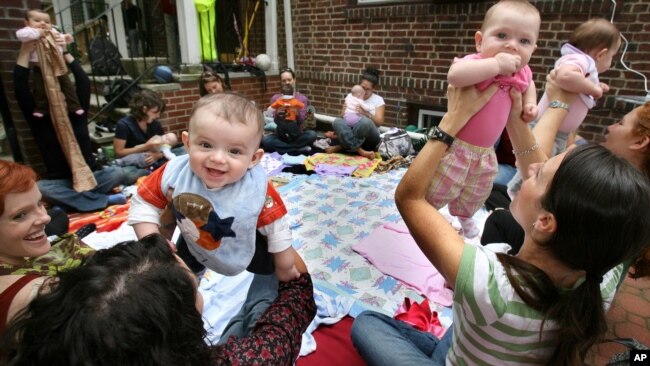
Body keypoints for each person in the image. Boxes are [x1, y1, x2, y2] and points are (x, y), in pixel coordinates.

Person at [351, 82, 650, 366]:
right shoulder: (601, 275)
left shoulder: (487, 281)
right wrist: (513, 116)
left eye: (539, 174)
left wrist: (453, 120)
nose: (531, 166)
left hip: (467, 347)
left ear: (545, 222)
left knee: (366, 324)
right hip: (490, 344)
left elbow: (409, 198)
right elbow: (549, 179)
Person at [0, 233, 316, 365]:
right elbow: (295, 298)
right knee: (264, 304)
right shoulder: (237, 359)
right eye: (194, 286)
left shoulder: (49, 335)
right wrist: (277, 240)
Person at [482, 72, 650, 278]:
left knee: (500, 217)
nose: (610, 127)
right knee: (496, 191)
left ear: (641, 142)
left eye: (621, 123)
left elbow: (537, 167)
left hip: (552, 260)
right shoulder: (632, 191)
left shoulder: (610, 188)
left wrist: (560, 103)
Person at [128, 93, 300, 282]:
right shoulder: (176, 172)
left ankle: (266, 285)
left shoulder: (254, 187)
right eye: (206, 145)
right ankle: (193, 284)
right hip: (193, 236)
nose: (217, 158)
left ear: (253, 159)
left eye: (234, 151)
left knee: (270, 267)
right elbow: (143, 201)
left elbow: (277, 227)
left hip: (240, 240)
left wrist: (285, 265)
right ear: (187, 143)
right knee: (181, 273)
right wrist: (151, 240)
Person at [426, 0, 540, 238]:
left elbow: (530, 84)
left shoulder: (523, 72)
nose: (512, 46)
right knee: (441, 185)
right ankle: (426, 214)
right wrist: (496, 65)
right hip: (457, 146)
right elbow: (455, 76)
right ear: (480, 41)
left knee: (477, 191)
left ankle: (465, 219)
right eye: (501, 35)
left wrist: (530, 104)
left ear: (533, 49)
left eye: (524, 41)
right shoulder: (478, 63)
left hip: (486, 152)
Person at [507, 17, 621, 195]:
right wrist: (593, 89)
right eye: (612, 57)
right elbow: (564, 77)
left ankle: (521, 193)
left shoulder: (584, 65)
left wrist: (596, 86)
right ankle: (516, 193)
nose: (611, 61)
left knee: (545, 170)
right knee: (536, 171)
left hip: (560, 133)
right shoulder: (579, 60)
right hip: (548, 128)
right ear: (601, 54)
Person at [14, 39, 126, 212]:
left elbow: (84, 82)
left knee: (117, 173)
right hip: (61, 180)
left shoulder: (77, 114)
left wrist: (64, 52)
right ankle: (101, 200)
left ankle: (74, 202)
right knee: (42, 188)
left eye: (64, 96)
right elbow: (20, 88)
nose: (61, 100)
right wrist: (25, 51)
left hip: (89, 176)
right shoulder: (39, 119)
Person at [0, 160, 94, 335]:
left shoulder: (15, 256)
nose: (45, 218)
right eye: (20, 215)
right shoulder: (39, 295)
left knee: (58, 216)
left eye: (40, 204)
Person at [15, 9, 83, 118]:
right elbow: (20, 35)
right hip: (40, 68)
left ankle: (74, 106)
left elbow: (61, 37)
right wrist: (38, 33)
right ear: (27, 23)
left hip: (58, 64)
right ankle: (42, 108)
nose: (43, 23)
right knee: (39, 89)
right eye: (37, 20)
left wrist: (67, 38)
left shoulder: (52, 31)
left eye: (47, 21)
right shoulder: (28, 31)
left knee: (67, 85)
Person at [326, 67, 385, 159]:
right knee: (337, 122)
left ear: (374, 88)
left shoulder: (378, 100)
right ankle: (360, 151)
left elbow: (379, 122)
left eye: (367, 89)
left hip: (370, 137)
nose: (364, 91)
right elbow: (342, 117)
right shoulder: (351, 95)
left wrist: (365, 113)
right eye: (362, 87)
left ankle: (341, 147)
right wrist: (342, 112)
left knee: (364, 122)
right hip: (353, 132)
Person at [113, 89, 169, 183]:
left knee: (183, 151)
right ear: (144, 109)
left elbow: (166, 146)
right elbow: (118, 153)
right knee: (125, 174)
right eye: (155, 112)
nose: (158, 116)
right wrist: (145, 146)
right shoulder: (123, 124)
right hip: (133, 163)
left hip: (155, 159)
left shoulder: (155, 124)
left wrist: (158, 155)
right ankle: (154, 173)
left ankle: (153, 173)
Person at [262, 67, 316, 154]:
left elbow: (301, 121)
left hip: (297, 134)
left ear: (294, 80)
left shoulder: (302, 98)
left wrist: (295, 112)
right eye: (284, 81)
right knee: (266, 140)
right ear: (280, 82)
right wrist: (278, 114)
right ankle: (296, 149)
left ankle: (284, 148)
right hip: (280, 135)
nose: (287, 82)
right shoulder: (276, 98)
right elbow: (274, 120)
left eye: (289, 80)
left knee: (312, 135)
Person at [113, 132, 178, 168]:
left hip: (147, 158)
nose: (165, 137)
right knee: (134, 157)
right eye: (166, 135)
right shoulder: (158, 137)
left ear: (169, 145)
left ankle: (120, 162)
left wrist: (176, 160)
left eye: (168, 139)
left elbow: (170, 155)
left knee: (134, 158)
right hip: (143, 153)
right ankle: (121, 162)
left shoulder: (165, 147)